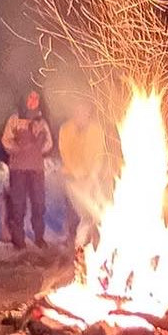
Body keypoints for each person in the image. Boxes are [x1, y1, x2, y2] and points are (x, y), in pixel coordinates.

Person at [1, 89, 54, 249]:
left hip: (36, 169)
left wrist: (38, 147)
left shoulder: (41, 122)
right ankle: (18, 239)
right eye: (30, 97)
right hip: (18, 169)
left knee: (38, 203)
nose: (32, 101)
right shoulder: (15, 119)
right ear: (24, 99)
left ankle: (39, 237)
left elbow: (49, 144)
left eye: (35, 98)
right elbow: (5, 140)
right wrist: (18, 147)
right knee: (18, 204)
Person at [58, 100, 107, 247]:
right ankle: (73, 241)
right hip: (72, 177)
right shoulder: (66, 129)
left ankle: (91, 243)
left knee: (92, 211)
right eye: (78, 111)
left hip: (91, 177)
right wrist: (75, 172)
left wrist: (92, 175)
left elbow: (100, 154)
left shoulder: (97, 131)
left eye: (84, 111)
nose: (81, 114)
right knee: (74, 211)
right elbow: (64, 152)